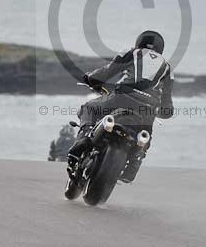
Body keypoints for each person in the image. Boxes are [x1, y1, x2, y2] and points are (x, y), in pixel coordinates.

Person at [66, 30, 174, 182]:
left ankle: (83, 141)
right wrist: (162, 111)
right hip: (147, 110)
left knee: (89, 108)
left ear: (140, 41)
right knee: (145, 135)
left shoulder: (133, 52)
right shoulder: (168, 68)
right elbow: (167, 105)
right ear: (160, 48)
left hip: (122, 97)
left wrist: (90, 78)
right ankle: (135, 163)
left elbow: (108, 71)